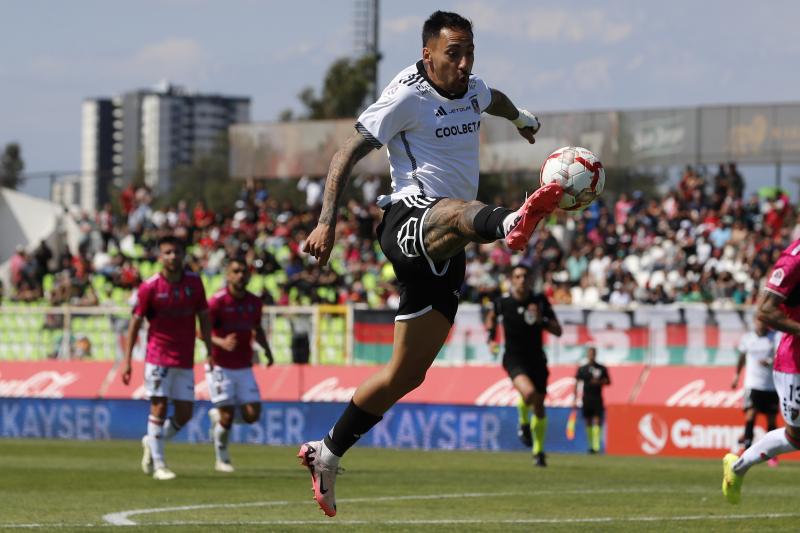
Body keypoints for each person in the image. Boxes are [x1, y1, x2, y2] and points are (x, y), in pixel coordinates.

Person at [299, 10, 563, 516]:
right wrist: (326, 221)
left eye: (469, 53)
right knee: (461, 213)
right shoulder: (405, 96)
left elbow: (493, 99)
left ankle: (326, 452)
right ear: (428, 54)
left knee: (405, 374)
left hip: (448, 246)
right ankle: (513, 221)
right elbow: (345, 154)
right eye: (453, 54)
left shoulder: (472, 87)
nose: (463, 64)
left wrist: (522, 118)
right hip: (408, 219)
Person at [122, 235, 213, 481]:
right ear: (160, 257)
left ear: (183, 255)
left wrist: (210, 350)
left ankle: (152, 442)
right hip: (157, 355)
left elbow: (204, 317)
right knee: (159, 406)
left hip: (184, 356)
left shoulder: (194, 283)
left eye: (176, 252)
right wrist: (127, 360)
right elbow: (134, 324)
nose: (173, 256)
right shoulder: (150, 287)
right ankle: (159, 464)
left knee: (185, 413)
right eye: (168, 252)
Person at [722, 239, 800, 503]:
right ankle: (737, 467)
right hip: (795, 362)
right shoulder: (793, 261)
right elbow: (765, 311)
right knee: (796, 437)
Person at [485, 264, 563, 466]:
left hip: (537, 358)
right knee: (528, 394)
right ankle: (523, 422)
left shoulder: (539, 301)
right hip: (514, 358)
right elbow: (491, 319)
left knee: (539, 405)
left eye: (525, 276)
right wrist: (491, 338)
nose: (521, 279)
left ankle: (538, 452)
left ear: (530, 279)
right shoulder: (502, 302)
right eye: (517, 276)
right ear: (512, 279)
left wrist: (541, 319)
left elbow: (558, 330)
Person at [205, 257, 274, 473]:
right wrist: (220, 342)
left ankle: (218, 419)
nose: (240, 275)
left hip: (244, 365)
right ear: (228, 274)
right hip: (220, 365)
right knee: (227, 416)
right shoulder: (217, 301)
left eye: (244, 271)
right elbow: (201, 331)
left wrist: (267, 350)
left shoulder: (254, 302)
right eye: (235, 271)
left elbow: (257, 328)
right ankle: (222, 457)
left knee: (253, 415)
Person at [731, 319, 779, 461]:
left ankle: (772, 454)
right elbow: (741, 358)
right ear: (755, 322)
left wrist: (769, 361)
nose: (761, 324)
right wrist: (736, 376)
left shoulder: (775, 336)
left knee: (771, 420)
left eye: (763, 321)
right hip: (752, 384)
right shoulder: (747, 338)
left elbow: (780, 356)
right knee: (750, 415)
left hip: (770, 385)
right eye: (758, 321)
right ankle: (746, 450)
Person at [573, 346, 610, 454]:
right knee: (588, 421)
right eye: (590, 353)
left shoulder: (601, 368)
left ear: (595, 354)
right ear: (587, 354)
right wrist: (575, 398)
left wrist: (599, 382)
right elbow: (577, 382)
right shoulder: (582, 369)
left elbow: (608, 381)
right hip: (586, 398)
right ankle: (590, 446)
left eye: (593, 353)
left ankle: (596, 446)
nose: (591, 355)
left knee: (597, 420)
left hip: (597, 398)